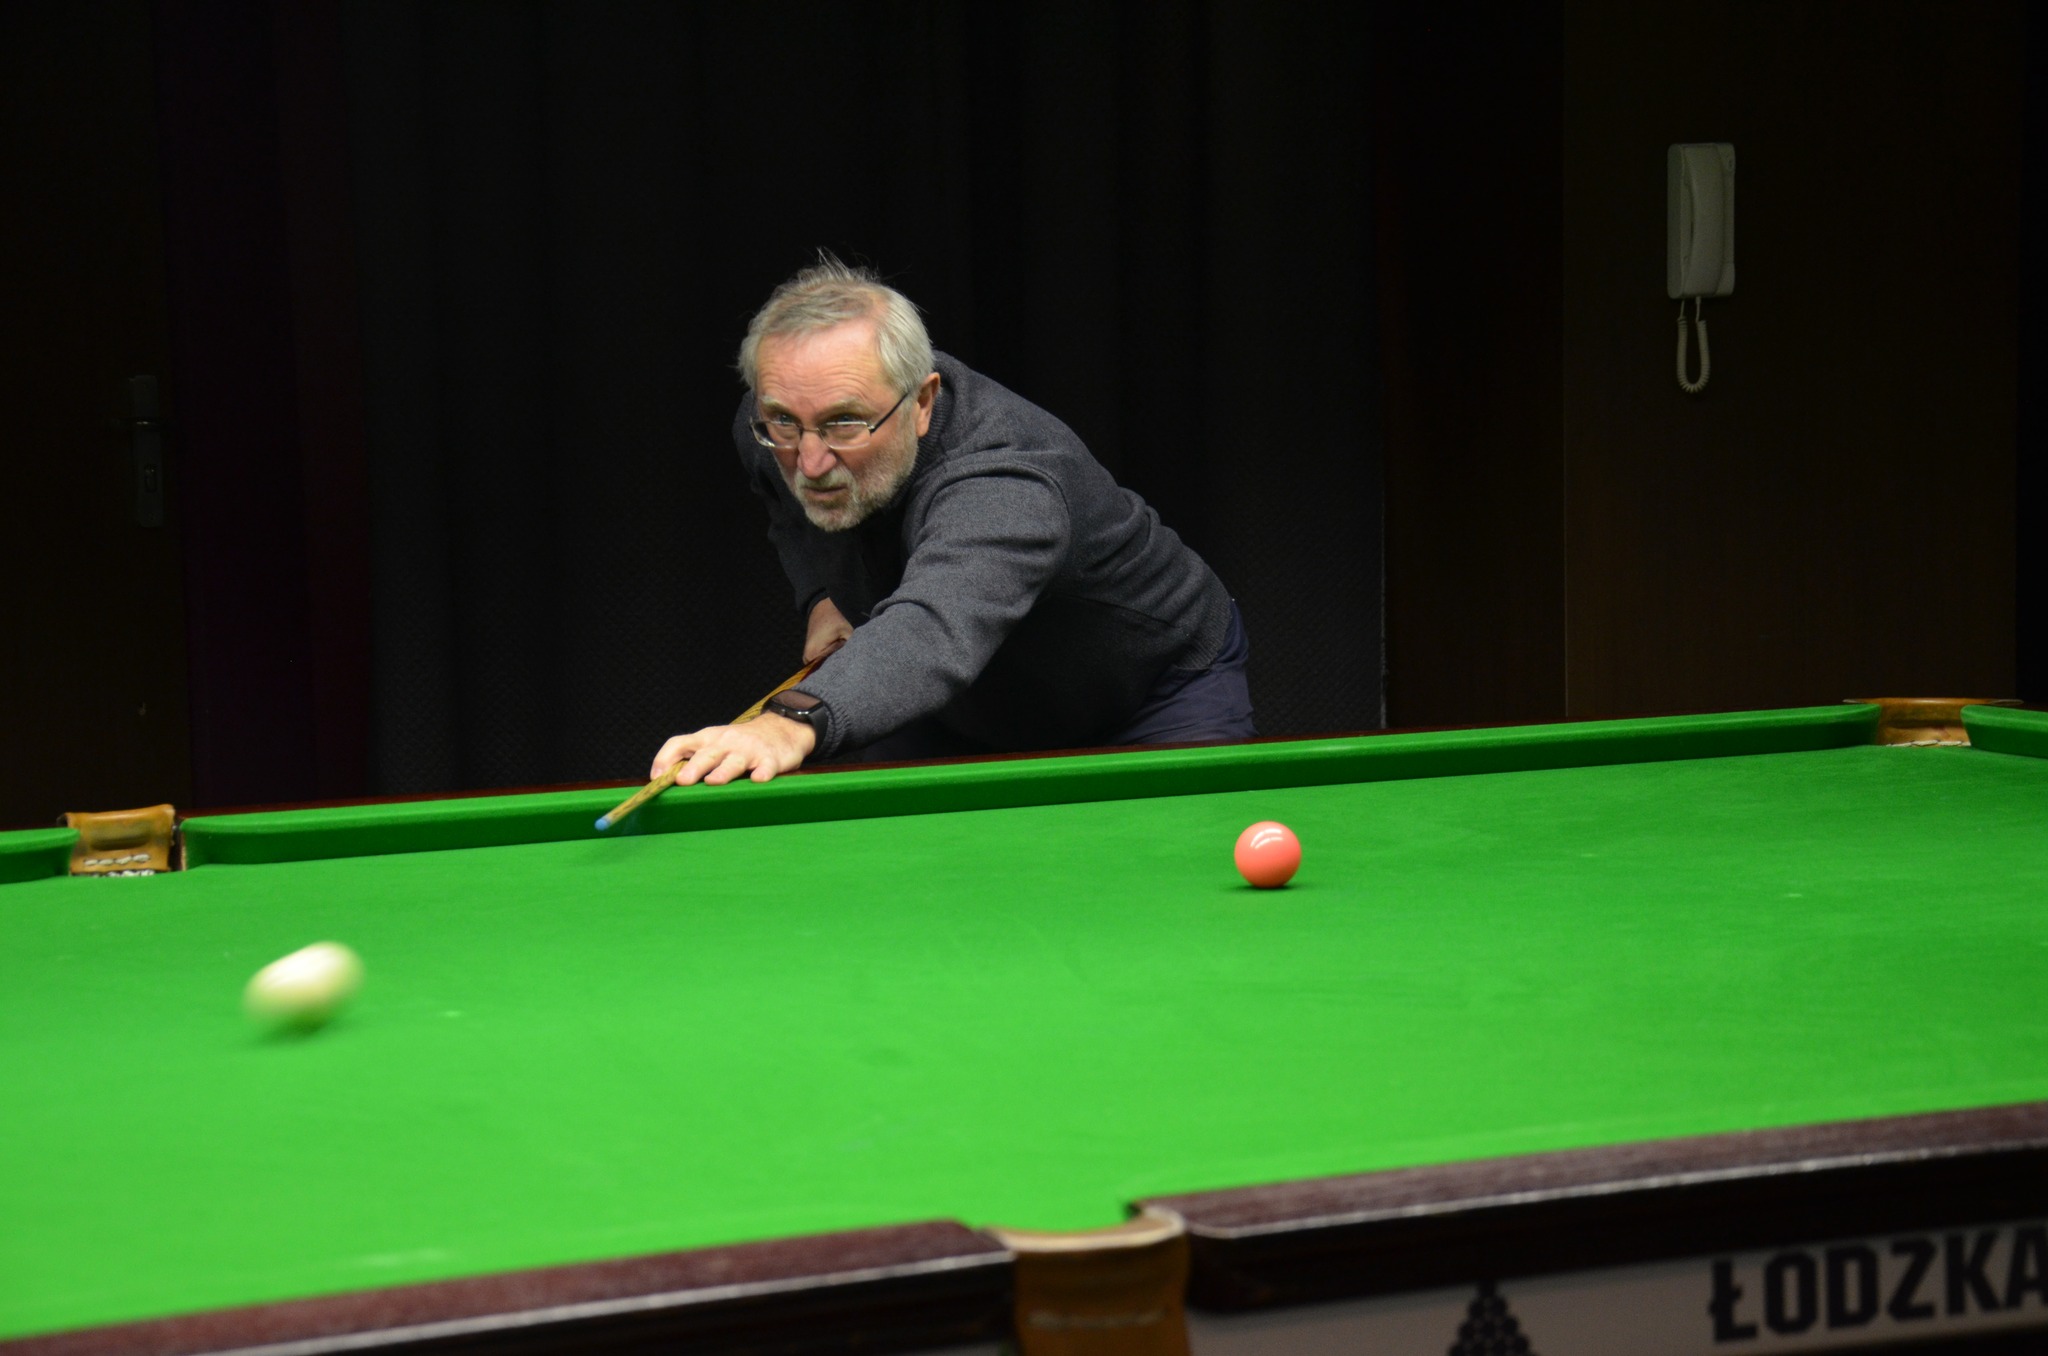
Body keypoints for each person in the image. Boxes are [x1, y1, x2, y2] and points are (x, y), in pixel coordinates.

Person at [650, 255, 1252, 787]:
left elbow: (933, 627)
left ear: (921, 402)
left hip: (1147, 692)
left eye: (844, 423)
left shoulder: (1008, 481)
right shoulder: (772, 426)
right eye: (785, 421)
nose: (809, 460)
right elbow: (789, 506)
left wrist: (789, 723)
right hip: (958, 702)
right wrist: (821, 599)